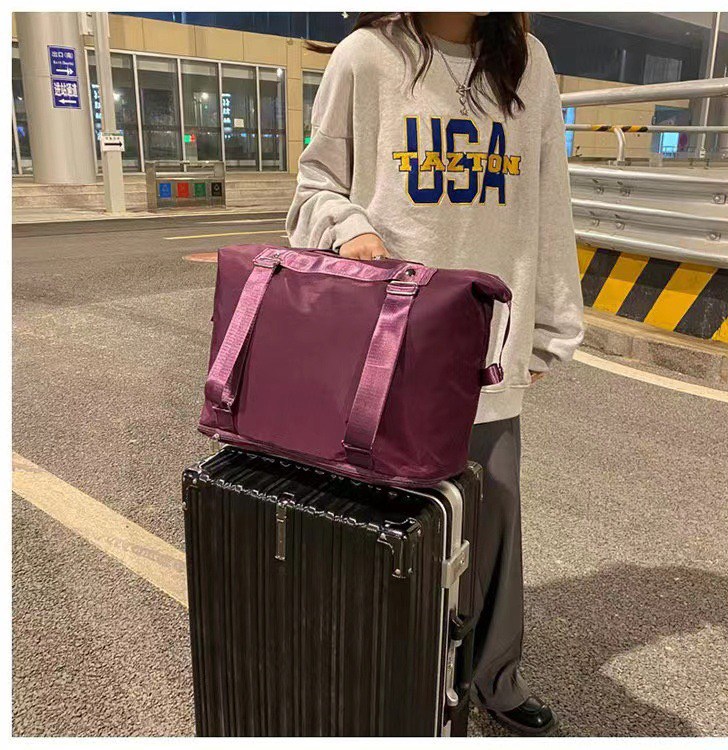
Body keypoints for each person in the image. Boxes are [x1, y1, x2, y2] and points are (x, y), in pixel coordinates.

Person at [286, 11, 584, 736]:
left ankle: (494, 679)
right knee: (387, 527)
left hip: (486, 344)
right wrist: (349, 226)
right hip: (390, 343)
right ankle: (385, 678)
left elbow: (548, 198)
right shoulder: (366, 56)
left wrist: (549, 328)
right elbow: (314, 185)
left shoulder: (529, 63)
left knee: (493, 522)